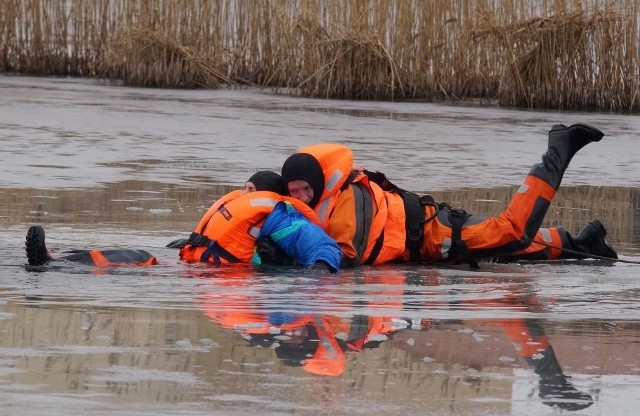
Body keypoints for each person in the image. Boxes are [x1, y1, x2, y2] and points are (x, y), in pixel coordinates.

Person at [277, 123, 618, 268]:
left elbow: (350, 255)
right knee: (508, 250)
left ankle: (559, 148)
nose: (302, 196)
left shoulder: (350, 197)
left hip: (437, 233)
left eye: (306, 189)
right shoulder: (324, 202)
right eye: (294, 192)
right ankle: (585, 243)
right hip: (428, 238)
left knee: (512, 232)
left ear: (320, 184)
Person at [26, 171, 342, 272]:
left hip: (215, 274)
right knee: (136, 254)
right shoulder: (249, 211)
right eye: (244, 188)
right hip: (197, 264)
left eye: (250, 191)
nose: (243, 195)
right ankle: (57, 255)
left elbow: (323, 248)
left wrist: (314, 273)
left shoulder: (280, 216)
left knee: (139, 258)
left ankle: (50, 261)